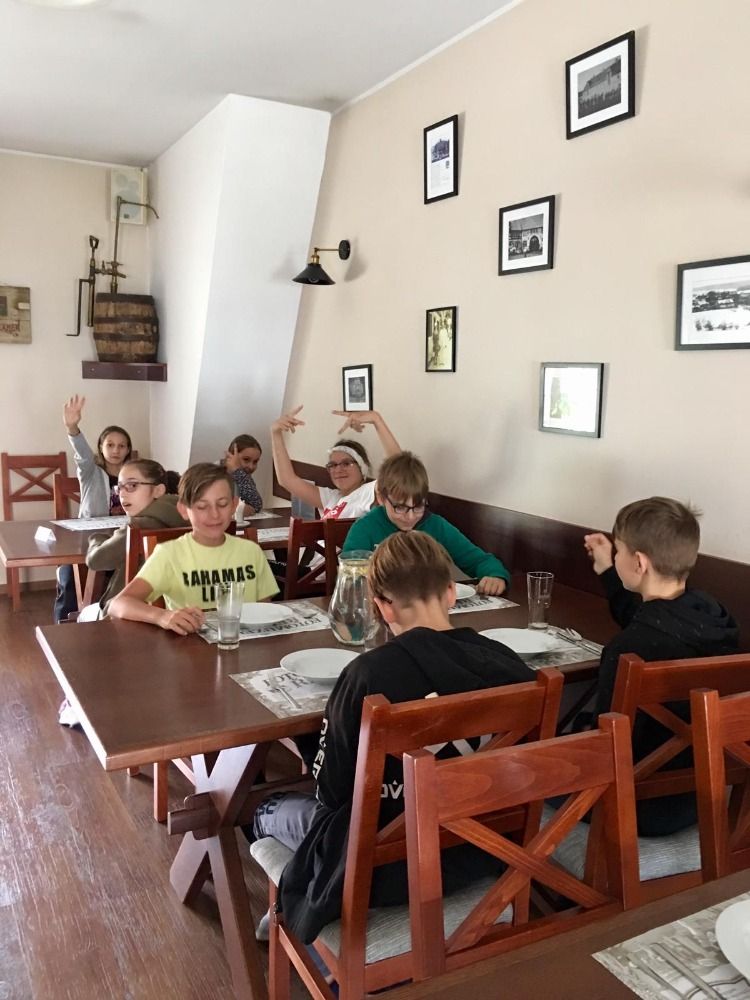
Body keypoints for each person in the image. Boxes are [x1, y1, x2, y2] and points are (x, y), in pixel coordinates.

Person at [249, 531, 534, 944]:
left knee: (265, 809)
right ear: (451, 593)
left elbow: (331, 793)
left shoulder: (367, 675)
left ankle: (293, 920)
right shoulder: (508, 664)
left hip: (383, 870)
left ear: (381, 605)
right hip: (483, 851)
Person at [583, 496, 739, 835]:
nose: (615, 557)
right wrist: (607, 571)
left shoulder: (628, 650)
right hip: (702, 796)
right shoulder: (714, 620)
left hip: (636, 807)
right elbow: (648, 617)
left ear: (639, 562)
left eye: (618, 551)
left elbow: (602, 748)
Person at [108, 463, 278, 633]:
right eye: (202, 506)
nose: (214, 514)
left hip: (244, 644)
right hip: (190, 645)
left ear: (234, 505)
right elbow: (118, 604)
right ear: (183, 510)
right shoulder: (169, 554)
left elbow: (265, 610)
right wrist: (162, 616)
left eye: (222, 504)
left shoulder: (251, 551)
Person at [342, 451, 511, 595]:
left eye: (418, 506)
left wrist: (495, 575)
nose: (410, 517)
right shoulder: (364, 528)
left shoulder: (435, 525)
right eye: (400, 507)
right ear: (381, 498)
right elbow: (351, 580)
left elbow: (479, 560)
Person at [55, 394, 134, 622]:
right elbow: (82, 454)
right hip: (88, 540)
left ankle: (111, 624)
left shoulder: (134, 474)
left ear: (128, 450)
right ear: (101, 447)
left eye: (121, 446)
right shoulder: (91, 471)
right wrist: (72, 427)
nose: (116, 450)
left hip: (121, 539)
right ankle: (63, 629)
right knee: (70, 577)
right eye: (110, 445)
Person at [80, 460, 186, 620]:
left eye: (132, 486)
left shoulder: (137, 526)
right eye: (119, 487)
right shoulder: (190, 520)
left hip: (128, 614)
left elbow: (96, 561)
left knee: (84, 614)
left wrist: (97, 538)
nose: (122, 494)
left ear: (158, 490)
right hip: (177, 612)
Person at [270, 406, 400, 520]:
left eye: (346, 463)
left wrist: (377, 420)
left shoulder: (368, 492)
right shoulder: (331, 497)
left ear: (363, 468)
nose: (338, 470)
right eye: (332, 465)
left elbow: (399, 472)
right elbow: (287, 480)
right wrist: (275, 433)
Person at [223, 433, 263, 515]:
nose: (251, 466)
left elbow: (256, 505)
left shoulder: (243, 476)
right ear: (230, 456)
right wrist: (237, 471)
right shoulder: (215, 475)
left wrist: (238, 472)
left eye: (255, 462)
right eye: (246, 459)